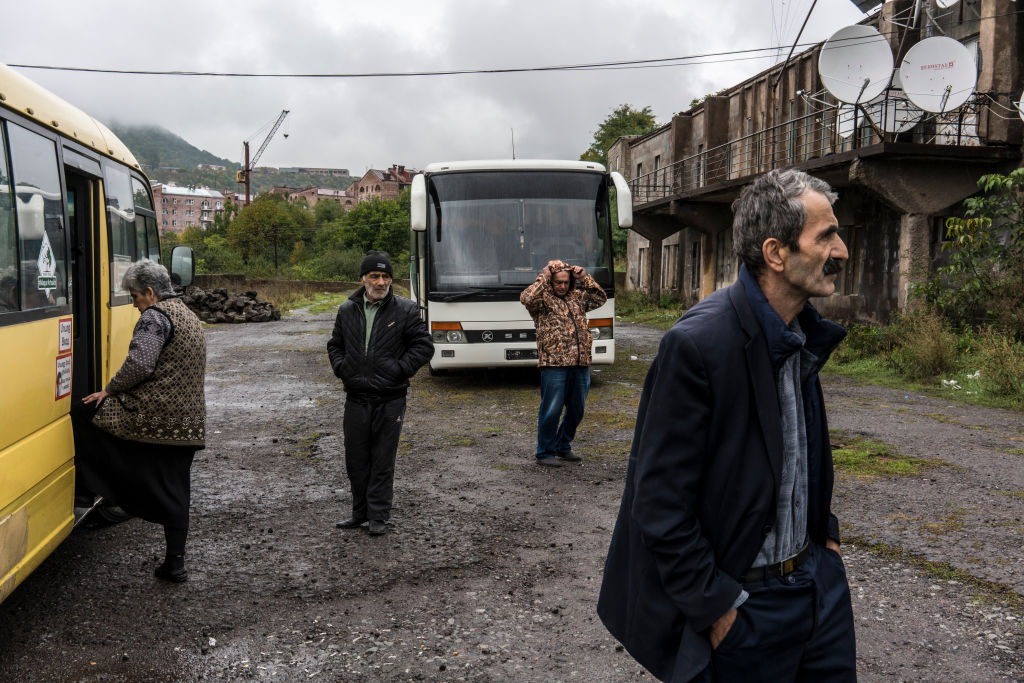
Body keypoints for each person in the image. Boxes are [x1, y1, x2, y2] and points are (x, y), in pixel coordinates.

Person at [598, 169, 855, 681]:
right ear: (776, 253)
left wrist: (825, 543)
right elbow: (658, 502)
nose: (842, 251)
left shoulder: (802, 333)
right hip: (748, 605)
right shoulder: (699, 345)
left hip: (816, 590)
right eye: (825, 236)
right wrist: (717, 608)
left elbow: (800, 456)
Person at [71, 259, 206, 583]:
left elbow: (139, 364)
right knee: (177, 490)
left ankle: (100, 492)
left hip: (153, 417)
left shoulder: (154, 317)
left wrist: (108, 389)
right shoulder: (190, 316)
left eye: (134, 298)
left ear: (149, 292)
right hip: (188, 424)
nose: (134, 306)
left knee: (82, 412)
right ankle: (175, 564)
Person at [328, 250, 433, 536]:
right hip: (357, 397)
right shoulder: (347, 310)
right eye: (374, 275)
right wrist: (342, 368)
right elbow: (335, 345)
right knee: (356, 459)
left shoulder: (406, 310)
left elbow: (424, 346)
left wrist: (399, 369)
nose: (381, 281)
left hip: (390, 398)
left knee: (382, 459)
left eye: (386, 275)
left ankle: (378, 516)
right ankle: (359, 513)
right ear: (363, 279)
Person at [520, 259, 607, 467]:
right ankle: (545, 452)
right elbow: (526, 297)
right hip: (554, 363)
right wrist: (544, 276)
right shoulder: (541, 301)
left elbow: (600, 298)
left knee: (577, 409)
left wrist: (584, 278)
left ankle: (562, 445)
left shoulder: (578, 298)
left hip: (580, 362)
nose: (562, 286)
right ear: (551, 282)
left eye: (566, 282)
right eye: (558, 282)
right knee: (551, 409)